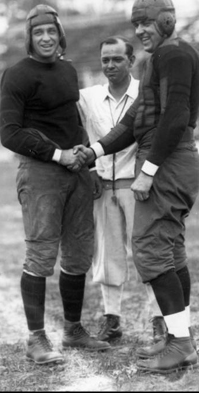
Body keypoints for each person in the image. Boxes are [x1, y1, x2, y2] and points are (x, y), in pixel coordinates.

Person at [75, 0, 199, 374]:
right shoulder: (157, 59)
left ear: (167, 19)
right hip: (167, 158)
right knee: (170, 251)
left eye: (146, 22)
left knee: (149, 248)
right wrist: (95, 150)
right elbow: (132, 123)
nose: (140, 30)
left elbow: (175, 116)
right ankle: (180, 335)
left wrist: (147, 172)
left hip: (167, 160)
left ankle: (179, 342)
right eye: (136, 23)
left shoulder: (173, 54)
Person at [0, 4, 110, 365]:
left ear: (60, 34)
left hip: (77, 171)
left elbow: (72, 122)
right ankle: (35, 338)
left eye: (51, 31)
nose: (45, 38)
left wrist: (88, 167)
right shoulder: (16, 75)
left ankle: (74, 330)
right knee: (41, 255)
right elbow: (9, 133)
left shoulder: (67, 69)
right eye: (38, 32)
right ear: (29, 38)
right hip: (42, 172)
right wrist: (57, 154)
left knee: (78, 254)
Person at [77, 36, 167, 343]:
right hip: (102, 186)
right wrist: (89, 169)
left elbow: (189, 105)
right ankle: (112, 319)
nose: (110, 65)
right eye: (105, 60)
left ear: (131, 61)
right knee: (107, 254)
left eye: (117, 59)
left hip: (138, 185)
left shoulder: (146, 90)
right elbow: (68, 123)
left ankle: (159, 319)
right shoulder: (88, 97)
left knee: (146, 252)